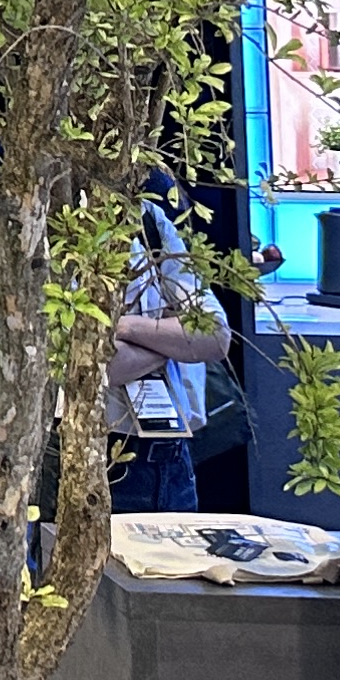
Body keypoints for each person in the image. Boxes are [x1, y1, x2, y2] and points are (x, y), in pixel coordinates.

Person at [107, 194, 232, 516]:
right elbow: (100, 368)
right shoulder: (55, 223)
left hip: (173, 459)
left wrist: (125, 327)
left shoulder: (149, 218)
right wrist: (171, 341)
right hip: (97, 457)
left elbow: (216, 337)